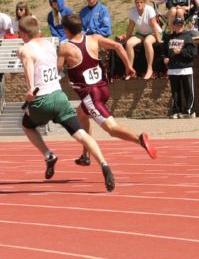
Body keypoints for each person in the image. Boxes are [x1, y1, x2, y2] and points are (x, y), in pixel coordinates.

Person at [17, 15, 116, 192]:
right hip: (59, 97)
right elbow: (55, 67)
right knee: (81, 134)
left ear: (23, 33)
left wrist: (31, 88)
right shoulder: (49, 44)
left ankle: (48, 155)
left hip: (41, 100)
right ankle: (104, 163)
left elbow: (29, 67)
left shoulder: (25, 49)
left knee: (26, 126)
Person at [58, 13, 158, 166]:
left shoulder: (65, 48)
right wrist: (128, 66)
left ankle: (139, 139)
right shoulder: (94, 38)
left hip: (91, 95)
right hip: (103, 89)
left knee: (111, 129)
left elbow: (57, 71)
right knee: (81, 114)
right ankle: (86, 155)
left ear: (66, 30)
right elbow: (118, 45)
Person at [164, 16, 197, 119]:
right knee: (175, 92)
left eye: (181, 25)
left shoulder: (188, 37)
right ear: (173, 26)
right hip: (173, 69)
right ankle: (176, 111)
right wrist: (165, 58)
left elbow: (193, 53)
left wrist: (181, 52)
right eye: (177, 25)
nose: (179, 26)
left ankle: (189, 111)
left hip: (185, 68)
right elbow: (164, 51)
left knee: (188, 91)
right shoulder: (168, 38)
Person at [124, 0, 162, 80]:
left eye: (141, 2)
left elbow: (154, 26)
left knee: (147, 42)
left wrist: (159, 40)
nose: (139, 4)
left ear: (144, 3)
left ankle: (149, 68)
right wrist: (126, 39)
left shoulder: (150, 10)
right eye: (137, 2)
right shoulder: (132, 11)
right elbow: (130, 27)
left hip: (153, 32)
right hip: (140, 33)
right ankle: (130, 69)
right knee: (129, 43)